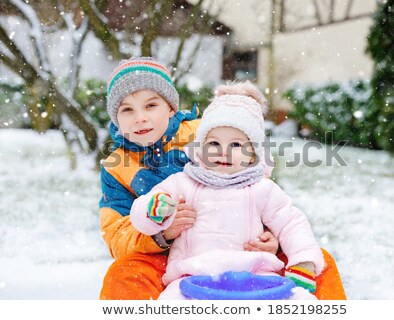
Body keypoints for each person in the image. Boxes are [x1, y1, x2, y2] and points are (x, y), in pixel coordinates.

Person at [129, 81, 342, 300]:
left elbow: (291, 223)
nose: (224, 152)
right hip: (192, 277)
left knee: (301, 301)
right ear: (201, 148)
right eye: (213, 144)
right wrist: (154, 209)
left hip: (257, 276)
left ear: (253, 154)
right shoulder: (183, 183)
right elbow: (140, 215)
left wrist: (303, 261)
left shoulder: (262, 189)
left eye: (236, 145)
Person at [99, 57, 280, 300]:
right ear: (116, 119)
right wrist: (161, 235)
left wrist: (271, 234)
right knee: (124, 274)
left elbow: (259, 182)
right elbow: (117, 236)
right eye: (127, 109)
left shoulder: (205, 134)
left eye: (151, 105)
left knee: (316, 262)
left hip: (237, 243)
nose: (140, 117)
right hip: (164, 257)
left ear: (171, 108)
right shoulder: (116, 168)